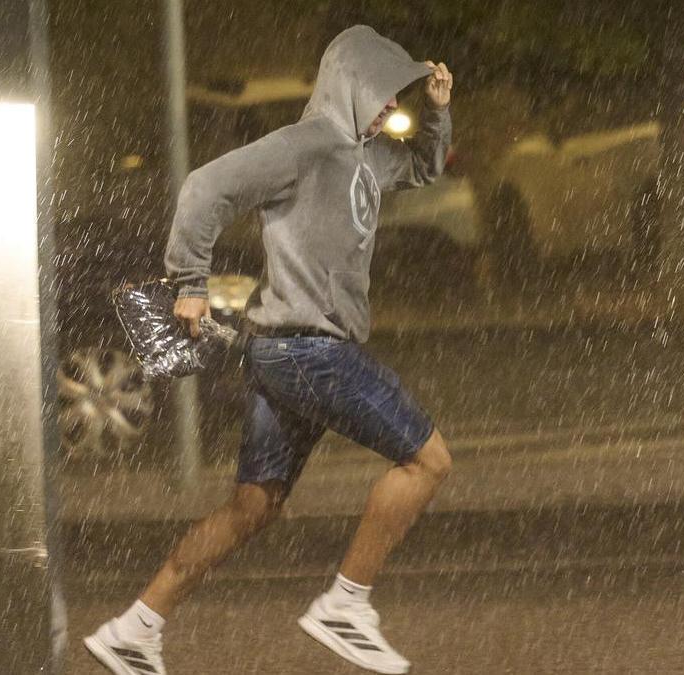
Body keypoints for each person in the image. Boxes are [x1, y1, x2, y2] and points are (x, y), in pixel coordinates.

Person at [85, 25, 453, 675]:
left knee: (253, 506)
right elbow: (204, 188)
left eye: (392, 97)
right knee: (427, 461)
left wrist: (440, 111)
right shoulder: (306, 145)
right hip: (308, 349)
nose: (385, 109)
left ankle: (134, 628)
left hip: (280, 353)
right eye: (378, 94)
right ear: (349, 85)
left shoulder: (366, 155)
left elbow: (423, 165)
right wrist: (190, 284)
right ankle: (346, 603)